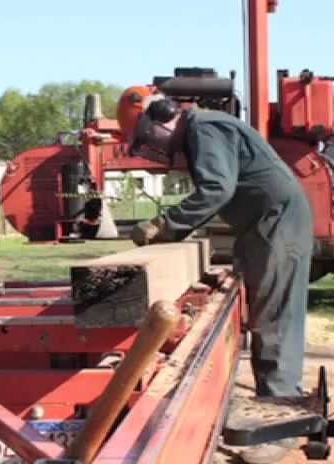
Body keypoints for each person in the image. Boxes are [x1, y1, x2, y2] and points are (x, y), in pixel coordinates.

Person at [126, 95, 313, 402]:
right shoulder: (202, 129)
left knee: (275, 316)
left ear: (164, 115)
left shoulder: (204, 127)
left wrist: (165, 225)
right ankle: (274, 393)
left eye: (148, 136)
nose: (152, 146)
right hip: (263, 224)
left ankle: (280, 403)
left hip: (277, 222)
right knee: (266, 311)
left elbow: (216, 189)